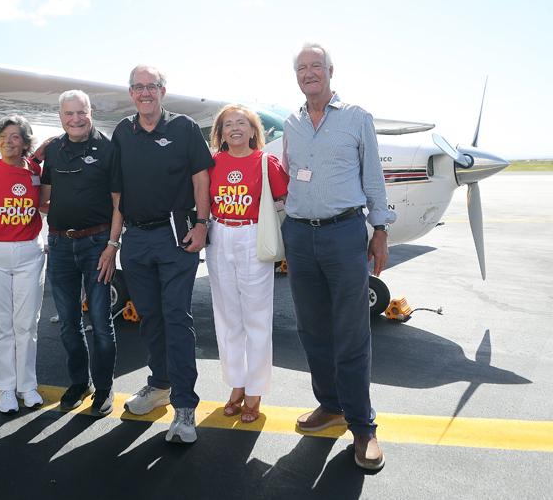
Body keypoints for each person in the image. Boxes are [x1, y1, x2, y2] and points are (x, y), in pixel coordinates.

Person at [281, 43, 395, 470]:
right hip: (299, 235)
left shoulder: (356, 118)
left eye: (316, 66)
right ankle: (329, 404)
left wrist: (379, 230)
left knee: (351, 332)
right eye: (301, 68)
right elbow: (288, 173)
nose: (309, 73)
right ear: (296, 76)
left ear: (330, 71)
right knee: (311, 329)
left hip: (344, 232)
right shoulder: (292, 124)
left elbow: (374, 178)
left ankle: (363, 427)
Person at [112, 65, 214, 443]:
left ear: (163, 91)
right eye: (138, 87)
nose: (145, 93)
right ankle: (160, 385)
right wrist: (114, 242)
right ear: (131, 93)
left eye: (151, 86)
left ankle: (185, 405)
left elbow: (201, 178)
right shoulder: (123, 132)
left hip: (176, 237)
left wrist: (202, 223)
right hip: (136, 240)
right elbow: (117, 193)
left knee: (176, 317)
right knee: (150, 317)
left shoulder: (184, 128)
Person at [40, 90, 123, 417]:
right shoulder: (53, 151)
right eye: (69, 113)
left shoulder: (107, 149)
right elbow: (42, 196)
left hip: (97, 245)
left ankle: (103, 388)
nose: (76, 119)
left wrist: (112, 246)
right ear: (61, 116)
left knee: (101, 323)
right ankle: (80, 382)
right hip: (60, 246)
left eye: (81, 113)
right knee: (68, 324)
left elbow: (120, 203)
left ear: (91, 112)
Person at [205, 104, 288, 424]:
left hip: (252, 236)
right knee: (227, 318)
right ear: (221, 133)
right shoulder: (212, 163)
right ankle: (236, 385)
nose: (235, 128)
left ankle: (255, 391)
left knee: (256, 318)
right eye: (228, 125)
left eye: (242, 123)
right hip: (220, 235)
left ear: (254, 131)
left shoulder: (267, 162)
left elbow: (283, 198)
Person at [0, 115, 46, 414]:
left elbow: (45, 203)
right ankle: (5, 388)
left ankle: (27, 386)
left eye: (15, 136)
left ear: (25, 143)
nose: (8, 141)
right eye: (3, 136)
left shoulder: (35, 171)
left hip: (30, 253)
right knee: (1, 326)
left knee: (26, 324)